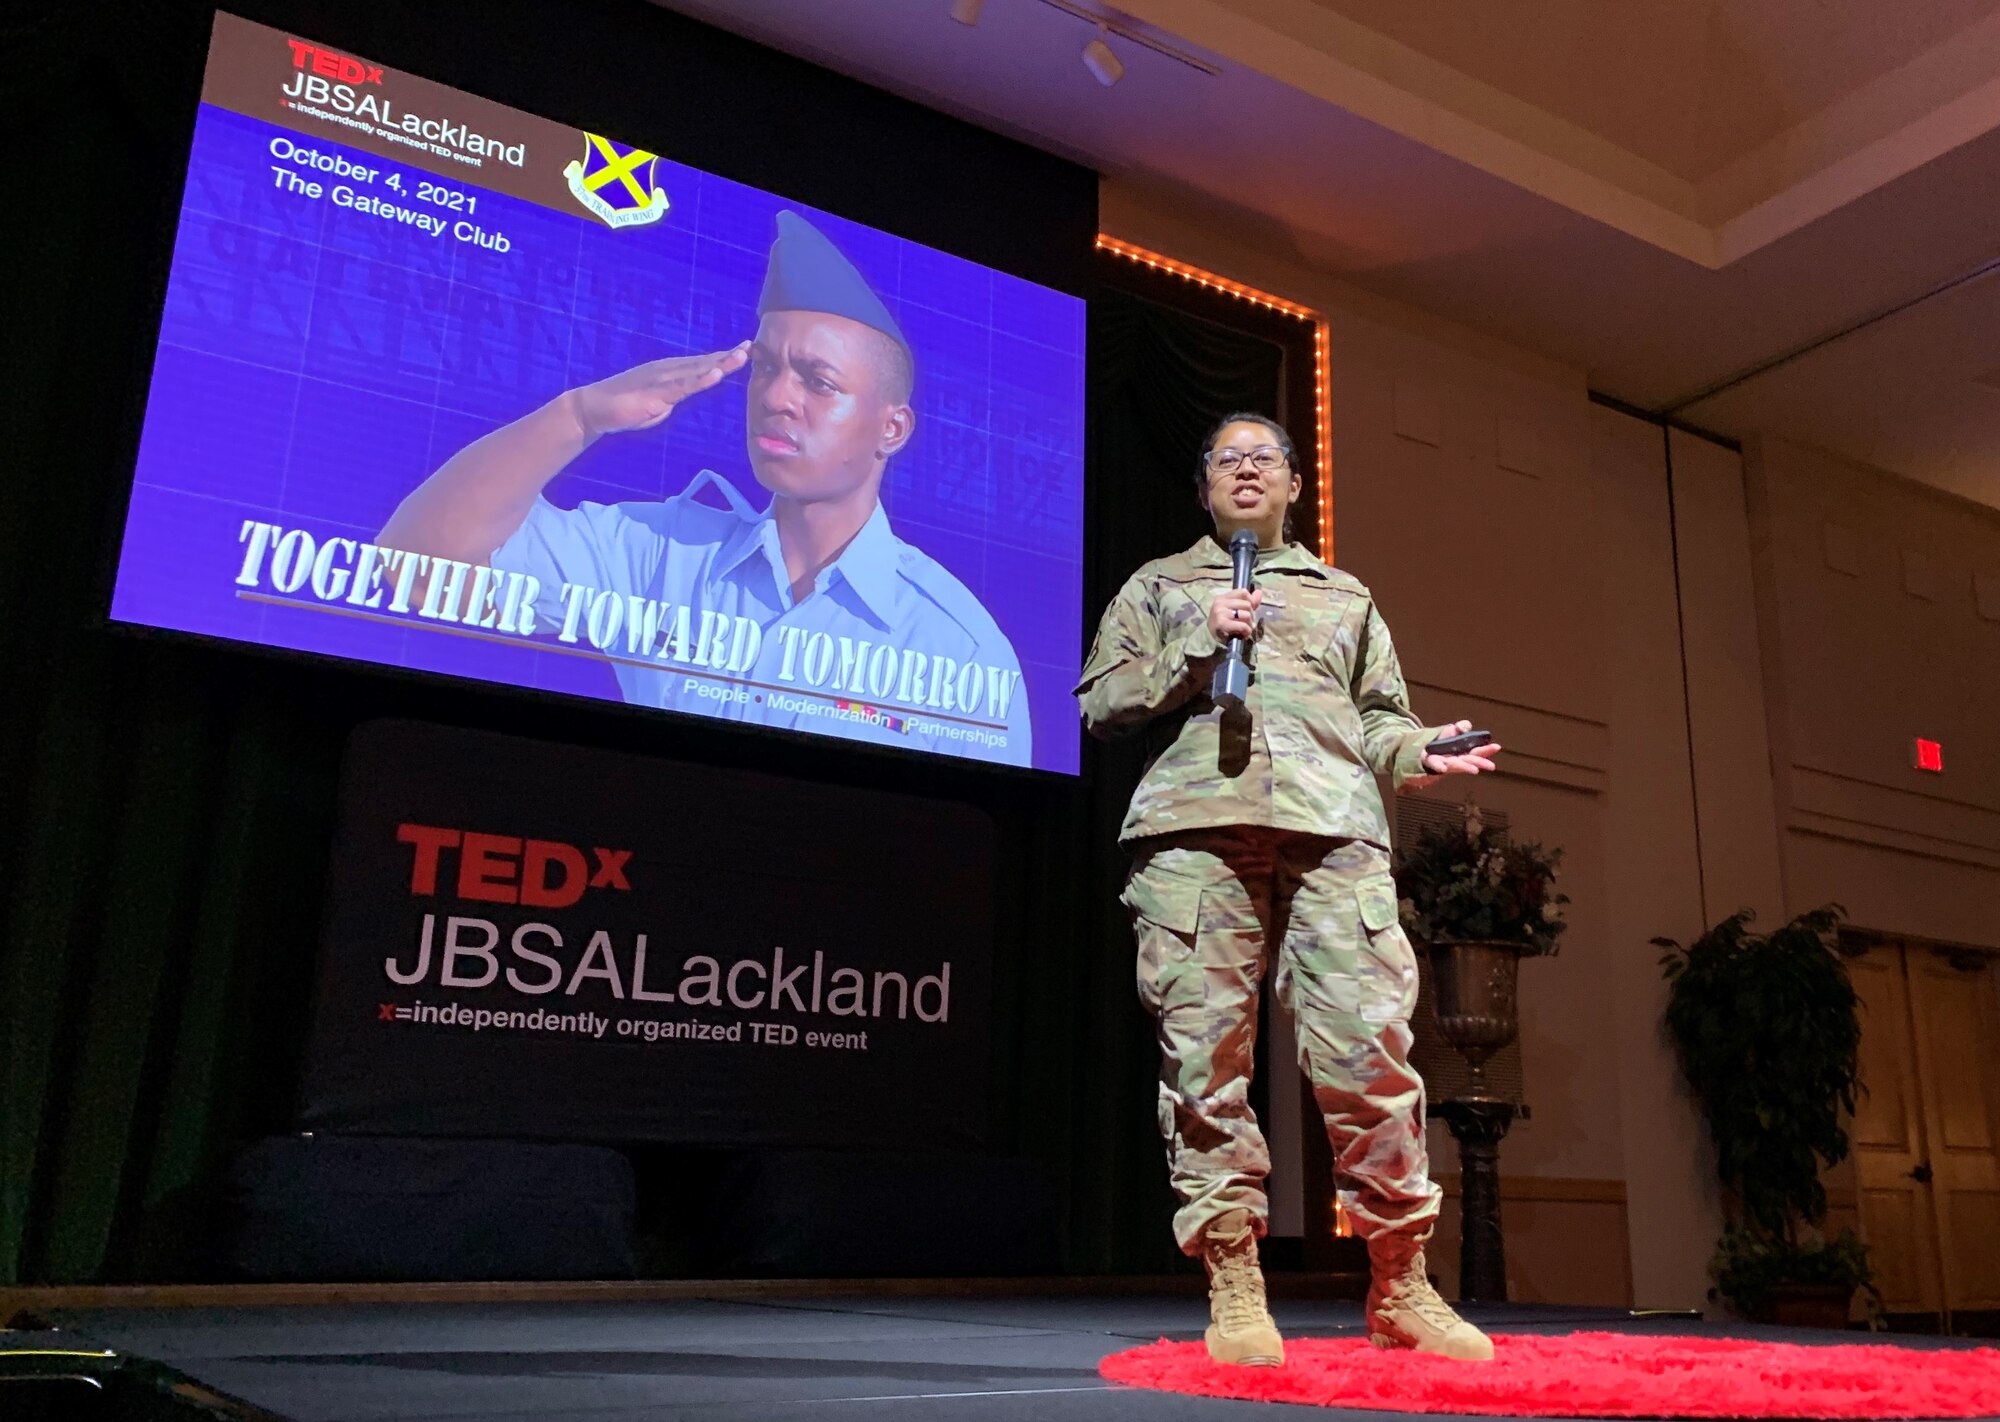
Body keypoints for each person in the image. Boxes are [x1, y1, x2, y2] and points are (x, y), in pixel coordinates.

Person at [1075, 413, 1503, 1367]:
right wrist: (1197, 640)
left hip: (1334, 832)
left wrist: (1420, 749)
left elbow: (1382, 721)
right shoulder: (1160, 585)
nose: (1246, 470)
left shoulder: (1345, 597)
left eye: (1263, 458)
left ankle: (1401, 1282)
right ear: (1204, 489)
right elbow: (1101, 704)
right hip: (1196, 835)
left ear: (1295, 484)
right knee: (1204, 1064)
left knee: (1370, 1055)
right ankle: (1233, 1279)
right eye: (1226, 460)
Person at [379, 209, 1030, 766]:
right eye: (767, 368)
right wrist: (577, 417)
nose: (776, 397)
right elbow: (417, 565)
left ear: (893, 428)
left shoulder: (958, 647)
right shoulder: (661, 555)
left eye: (818, 381)